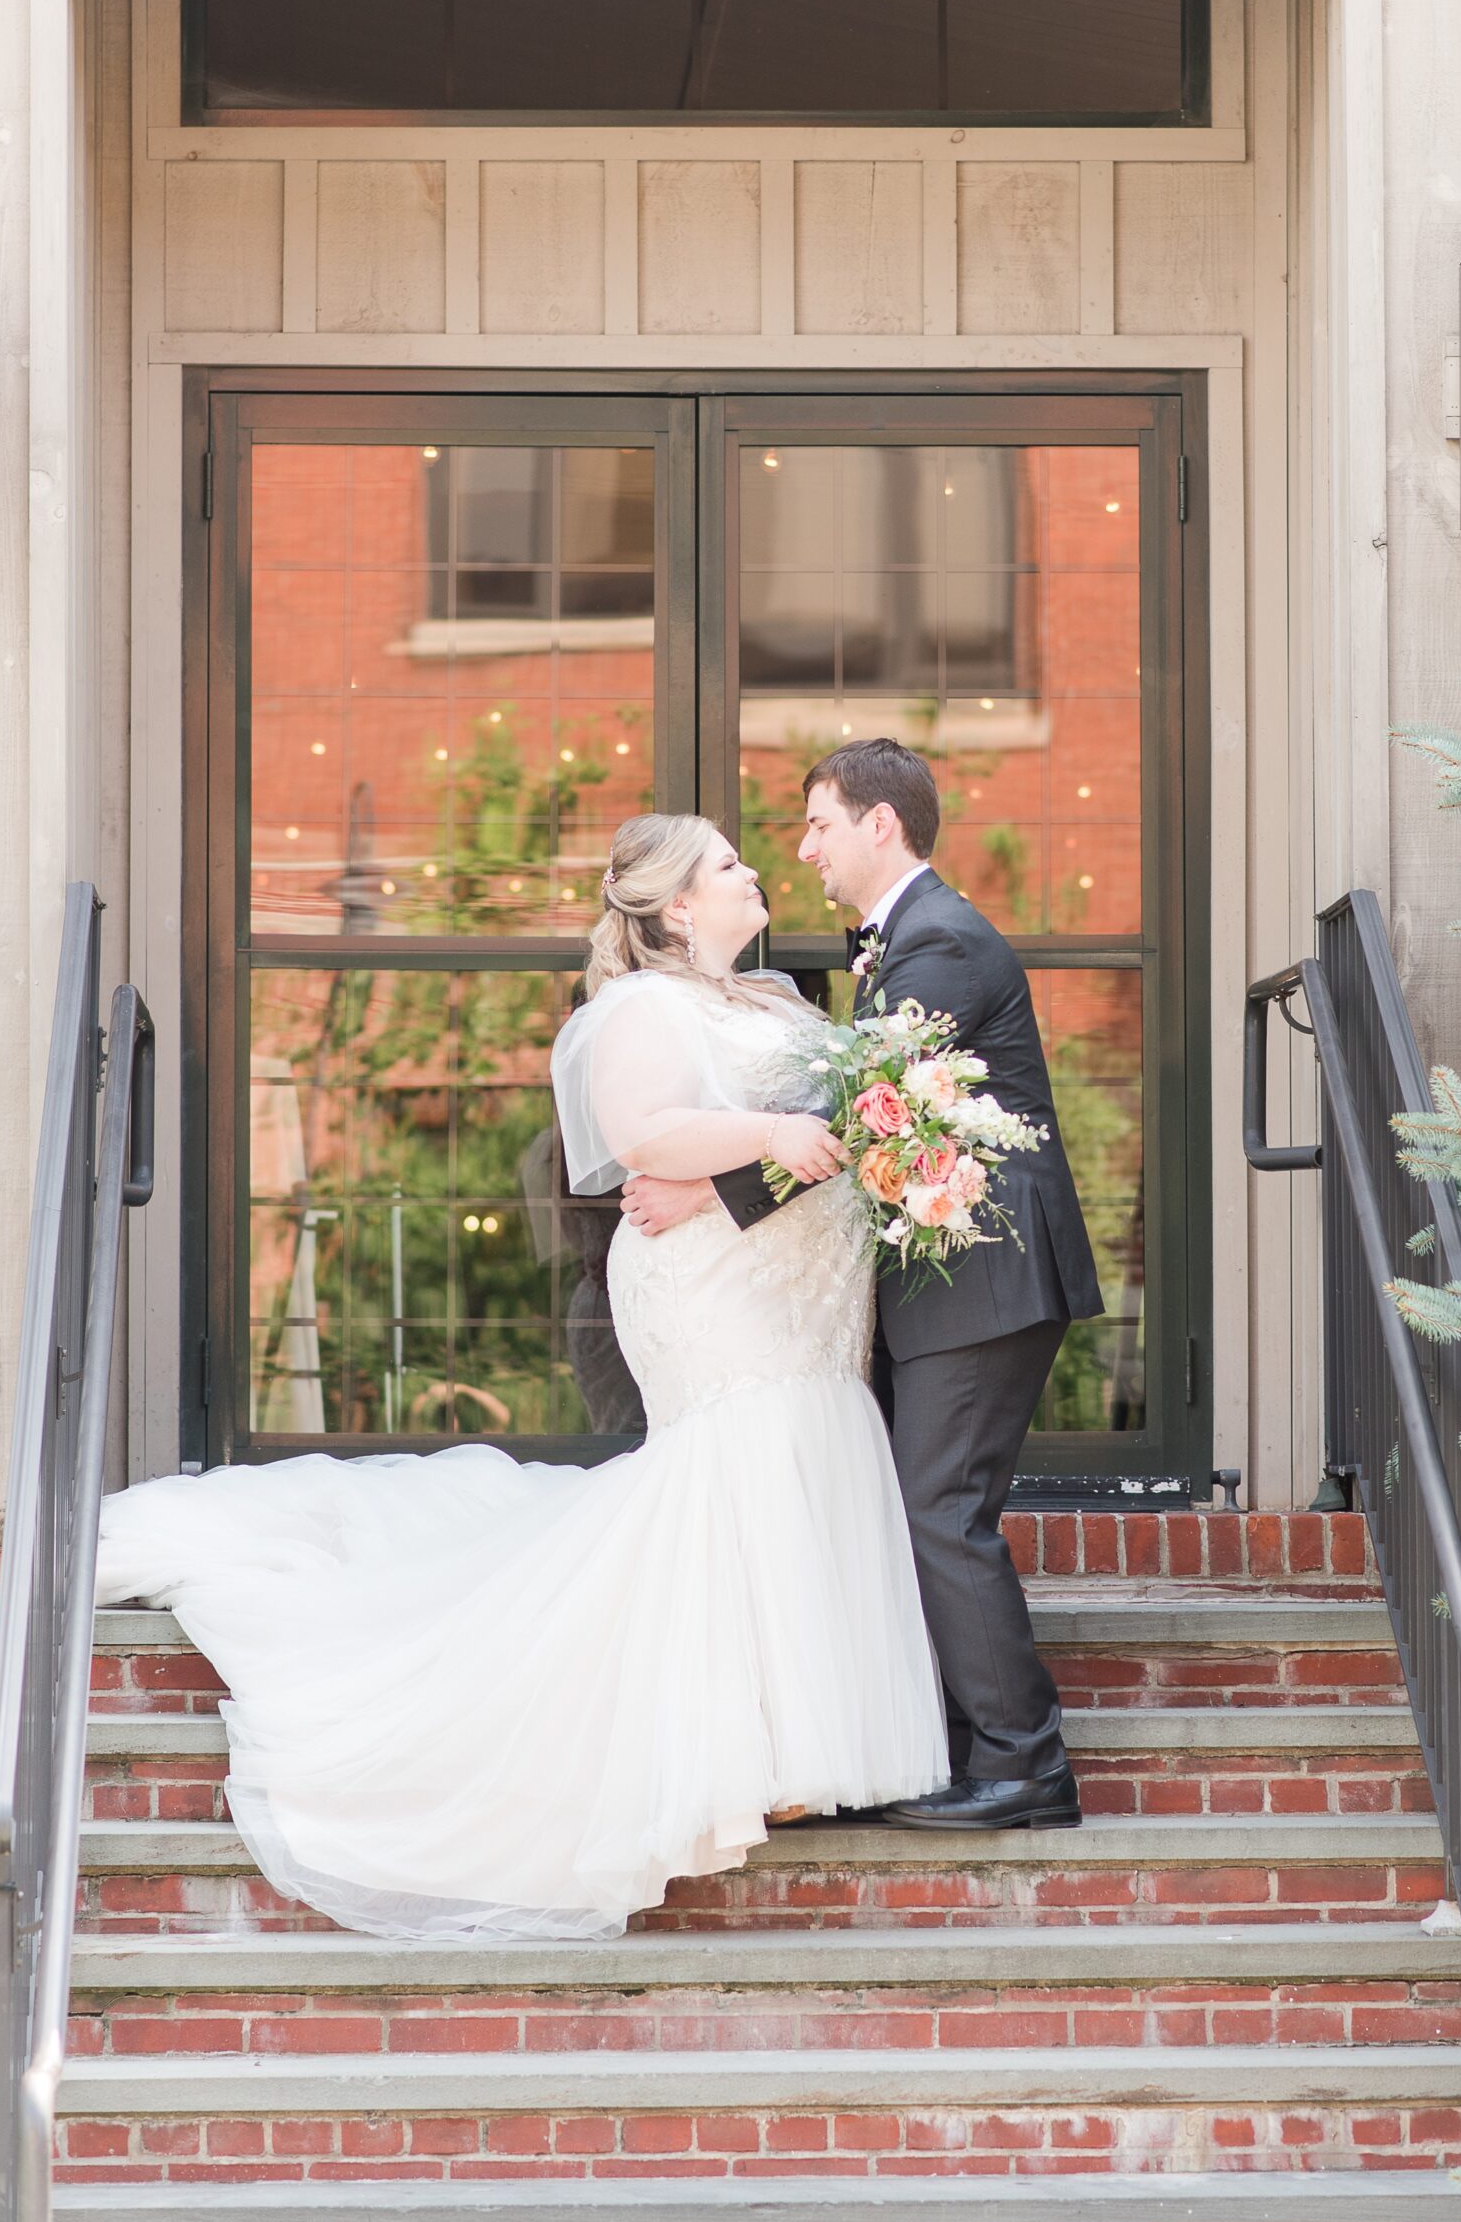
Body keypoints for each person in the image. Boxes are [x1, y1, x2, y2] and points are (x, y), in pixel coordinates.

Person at [93, 814, 948, 1941]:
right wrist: (766, 1134)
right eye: (730, 863)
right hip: (715, 1295)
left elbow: (833, 1122)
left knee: (804, 1458)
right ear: (678, 907)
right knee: (738, 1467)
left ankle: (797, 1746)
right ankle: (722, 1751)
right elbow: (641, 1131)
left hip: (807, 1291)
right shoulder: (638, 1007)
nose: (756, 871)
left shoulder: (785, 1000)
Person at [623, 738, 1103, 1832]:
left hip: (985, 1280)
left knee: (940, 1513)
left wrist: (701, 1196)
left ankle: (1025, 1765)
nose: (804, 850)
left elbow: (857, 1109)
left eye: (819, 825)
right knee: (926, 1509)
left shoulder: (937, 943)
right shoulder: (902, 943)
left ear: (878, 825)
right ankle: (945, 1746)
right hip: (948, 1286)